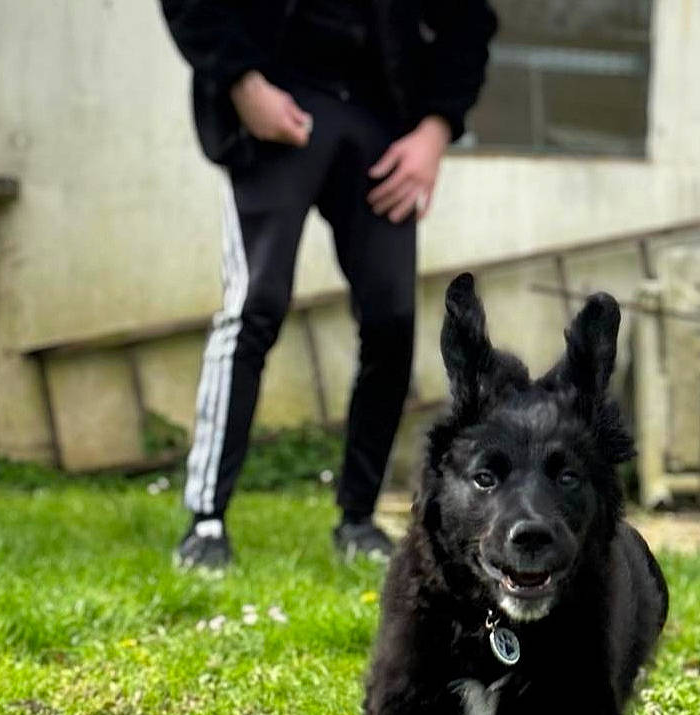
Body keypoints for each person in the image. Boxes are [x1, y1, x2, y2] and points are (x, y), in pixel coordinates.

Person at [160, 0, 498, 569]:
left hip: (381, 117)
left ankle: (359, 521)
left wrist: (435, 132)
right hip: (277, 95)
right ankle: (206, 522)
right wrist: (242, 81)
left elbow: (468, 20)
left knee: (393, 320)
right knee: (256, 302)